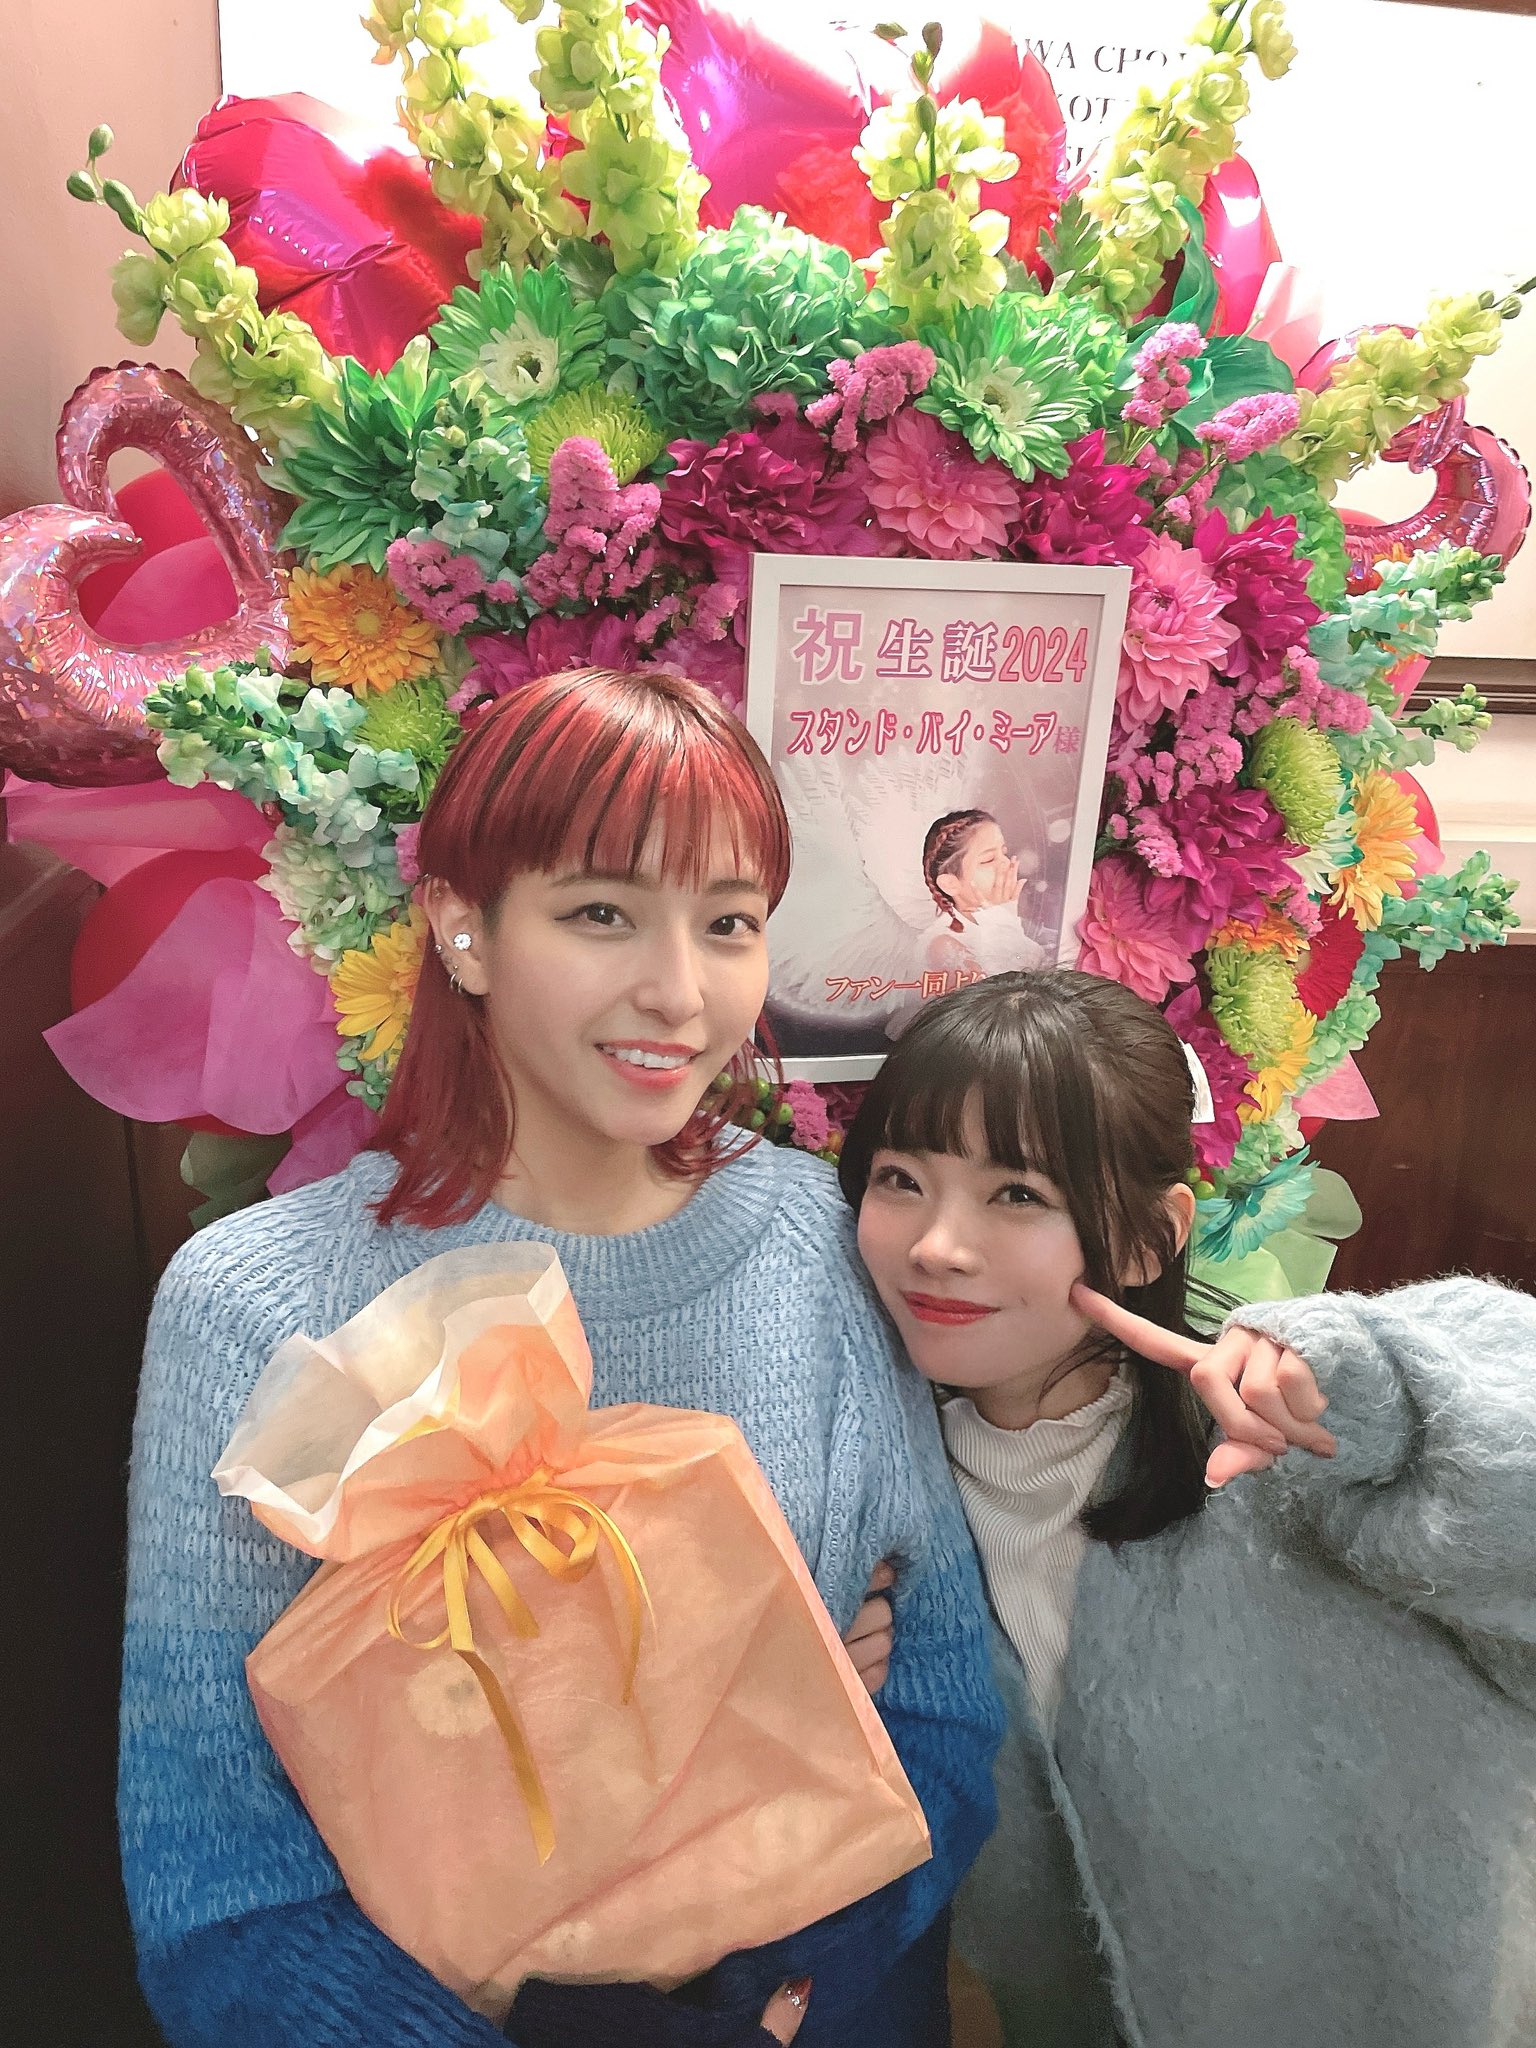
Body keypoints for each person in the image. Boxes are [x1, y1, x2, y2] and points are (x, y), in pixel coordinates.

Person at [118, 667, 1003, 2048]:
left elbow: (944, 1714)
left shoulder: (821, 1241)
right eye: (601, 912)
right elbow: (219, 1882)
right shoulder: (255, 1305)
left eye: (728, 923)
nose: (679, 991)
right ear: (461, 926)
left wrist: (774, 2001)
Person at [838, 968, 1536, 2048]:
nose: (936, 1243)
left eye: (1016, 1192)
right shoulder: (889, 1509)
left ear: (1147, 1238)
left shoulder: (1285, 1451)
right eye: (900, 1179)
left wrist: (1388, 1402)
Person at [919, 812, 1047, 986]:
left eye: (1004, 853)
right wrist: (1001, 922)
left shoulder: (1007, 922)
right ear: (950, 883)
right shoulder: (942, 945)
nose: (1006, 863)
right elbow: (1004, 995)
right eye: (988, 860)